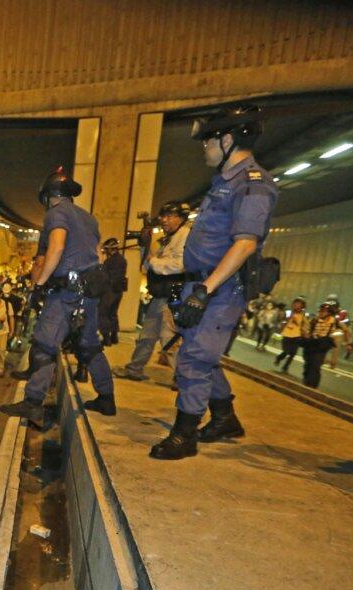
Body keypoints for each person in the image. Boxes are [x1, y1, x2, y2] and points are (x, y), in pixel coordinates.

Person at [150, 105, 278, 460]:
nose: (204, 148)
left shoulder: (252, 185)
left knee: (193, 360)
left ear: (227, 139)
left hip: (220, 289)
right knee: (202, 354)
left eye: (208, 141)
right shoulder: (223, 182)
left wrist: (206, 289)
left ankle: (184, 435)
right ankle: (224, 417)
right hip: (203, 286)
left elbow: (246, 242)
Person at [2, 168, 116, 427]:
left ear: (49, 195)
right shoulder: (88, 218)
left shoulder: (57, 213)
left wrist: (40, 284)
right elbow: (94, 253)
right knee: (88, 345)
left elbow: (57, 246)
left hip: (67, 292)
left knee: (44, 345)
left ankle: (32, 403)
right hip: (90, 291)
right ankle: (106, 397)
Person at [116, 201, 190, 381]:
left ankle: (184, 380)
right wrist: (144, 245)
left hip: (173, 296)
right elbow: (149, 265)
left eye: (169, 216)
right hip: (160, 296)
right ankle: (134, 369)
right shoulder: (169, 238)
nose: (164, 220)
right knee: (146, 337)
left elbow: (179, 266)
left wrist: (155, 263)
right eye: (163, 216)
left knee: (169, 340)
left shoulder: (185, 236)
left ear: (181, 218)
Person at [303, 302, 340, 389]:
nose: (321, 312)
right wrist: (306, 334)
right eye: (320, 310)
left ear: (329, 312)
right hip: (311, 344)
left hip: (322, 346)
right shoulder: (315, 320)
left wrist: (347, 343)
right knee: (308, 364)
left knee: (316, 365)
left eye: (324, 311)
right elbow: (306, 329)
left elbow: (344, 332)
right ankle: (306, 381)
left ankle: (313, 386)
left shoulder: (334, 322)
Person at [98, 238, 127, 346]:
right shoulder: (122, 260)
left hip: (109, 291)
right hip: (118, 291)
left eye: (106, 249)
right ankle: (114, 336)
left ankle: (106, 338)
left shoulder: (109, 261)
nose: (105, 251)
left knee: (103, 313)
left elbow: (104, 276)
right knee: (112, 313)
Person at [274, 297, 309, 374]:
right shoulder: (288, 312)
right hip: (287, 334)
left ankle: (285, 367)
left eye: (299, 305)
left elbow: (306, 325)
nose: (297, 306)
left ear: (302, 307)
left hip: (296, 336)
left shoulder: (303, 316)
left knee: (293, 353)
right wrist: (285, 322)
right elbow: (282, 321)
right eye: (296, 304)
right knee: (286, 351)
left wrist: (304, 331)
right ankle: (279, 358)